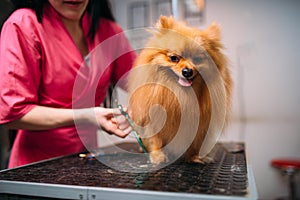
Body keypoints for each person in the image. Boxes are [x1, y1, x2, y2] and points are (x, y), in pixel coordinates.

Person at [0, 0, 136, 168]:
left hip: (86, 162)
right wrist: (87, 116)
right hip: (36, 165)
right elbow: (14, 113)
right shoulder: (23, 24)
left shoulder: (107, 31)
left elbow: (141, 83)